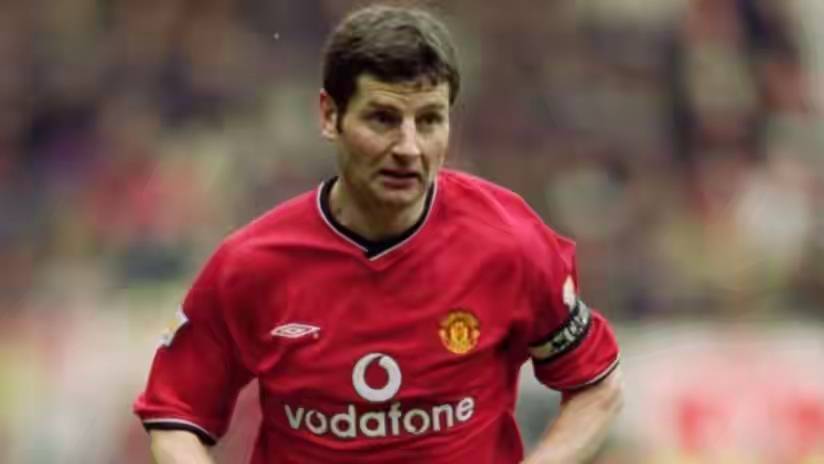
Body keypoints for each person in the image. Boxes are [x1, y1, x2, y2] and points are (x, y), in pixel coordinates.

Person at [134, 4, 623, 463]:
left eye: (429, 120)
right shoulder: (252, 265)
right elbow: (176, 420)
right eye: (383, 119)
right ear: (330, 115)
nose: (409, 147)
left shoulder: (510, 243)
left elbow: (595, 388)